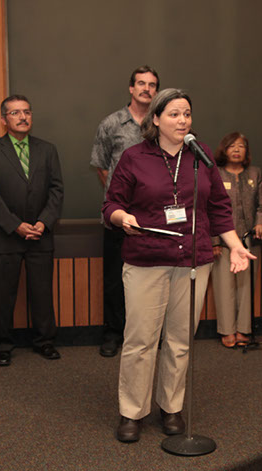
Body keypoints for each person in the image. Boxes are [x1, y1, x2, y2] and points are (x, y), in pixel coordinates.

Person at [103, 88, 255, 443]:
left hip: (193, 260)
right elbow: (111, 204)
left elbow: (219, 207)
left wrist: (235, 246)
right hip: (146, 260)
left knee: (180, 340)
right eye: (173, 114)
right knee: (140, 340)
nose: (182, 120)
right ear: (155, 119)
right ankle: (132, 412)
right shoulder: (134, 157)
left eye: (186, 113)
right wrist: (122, 217)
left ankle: (171, 407)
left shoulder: (201, 158)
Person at [0, 94, 64, 365]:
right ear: (4, 119)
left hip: (41, 233)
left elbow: (56, 190)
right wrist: (15, 225)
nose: (23, 117)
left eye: (26, 111)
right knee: (3, 295)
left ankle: (45, 341)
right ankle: (2, 345)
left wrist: (44, 222)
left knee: (42, 293)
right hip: (6, 236)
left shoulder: (47, 149)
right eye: (15, 113)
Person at [90, 65, 159, 358]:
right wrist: (121, 199)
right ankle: (114, 333)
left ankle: (148, 334)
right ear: (131, 88)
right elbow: (102, 167)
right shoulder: (111, 124)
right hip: (118, 219)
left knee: (154, 280)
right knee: (115, 279)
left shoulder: (161, 124)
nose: (146, 88)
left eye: (152, 84)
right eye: (141, 83)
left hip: (153, 218)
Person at [211, 133, 262, 348]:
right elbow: (210, 209)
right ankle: (227, 330)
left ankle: (244, 329)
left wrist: (261, 221)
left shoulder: (255, 173)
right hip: (224, 242)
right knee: (224, 287)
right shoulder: (215, 174)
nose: (237, 149)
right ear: (224, 150)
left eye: (241, 146)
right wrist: (214, 241)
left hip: (249, 241)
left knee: (246, 287)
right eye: (232, 145)